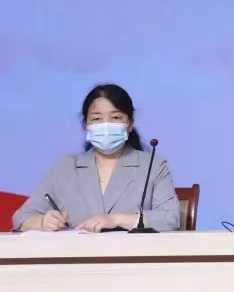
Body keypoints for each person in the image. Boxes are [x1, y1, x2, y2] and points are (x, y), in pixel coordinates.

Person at [12, 84, 181, 233]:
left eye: (115, 118)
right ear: (85, 125)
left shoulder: (153, 165)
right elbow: (21, 218)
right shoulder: (65, 167)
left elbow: (170, 218)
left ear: (130, 124)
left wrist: (117, 219)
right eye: (97, 119)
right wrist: (42, 222)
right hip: (76, 257)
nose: (106, 125)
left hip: (133, 256)